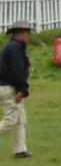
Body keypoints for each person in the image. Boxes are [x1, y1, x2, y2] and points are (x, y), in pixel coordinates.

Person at [0, 20, 33, 158]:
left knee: (20, 119)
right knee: (11, 120)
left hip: (7, 85)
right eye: (26, 34)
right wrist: (22, 89)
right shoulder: (15, 48)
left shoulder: (12, 46)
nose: (28, 37)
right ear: (20, 34)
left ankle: (20, 150)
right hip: (9, 87)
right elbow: (16, 69)